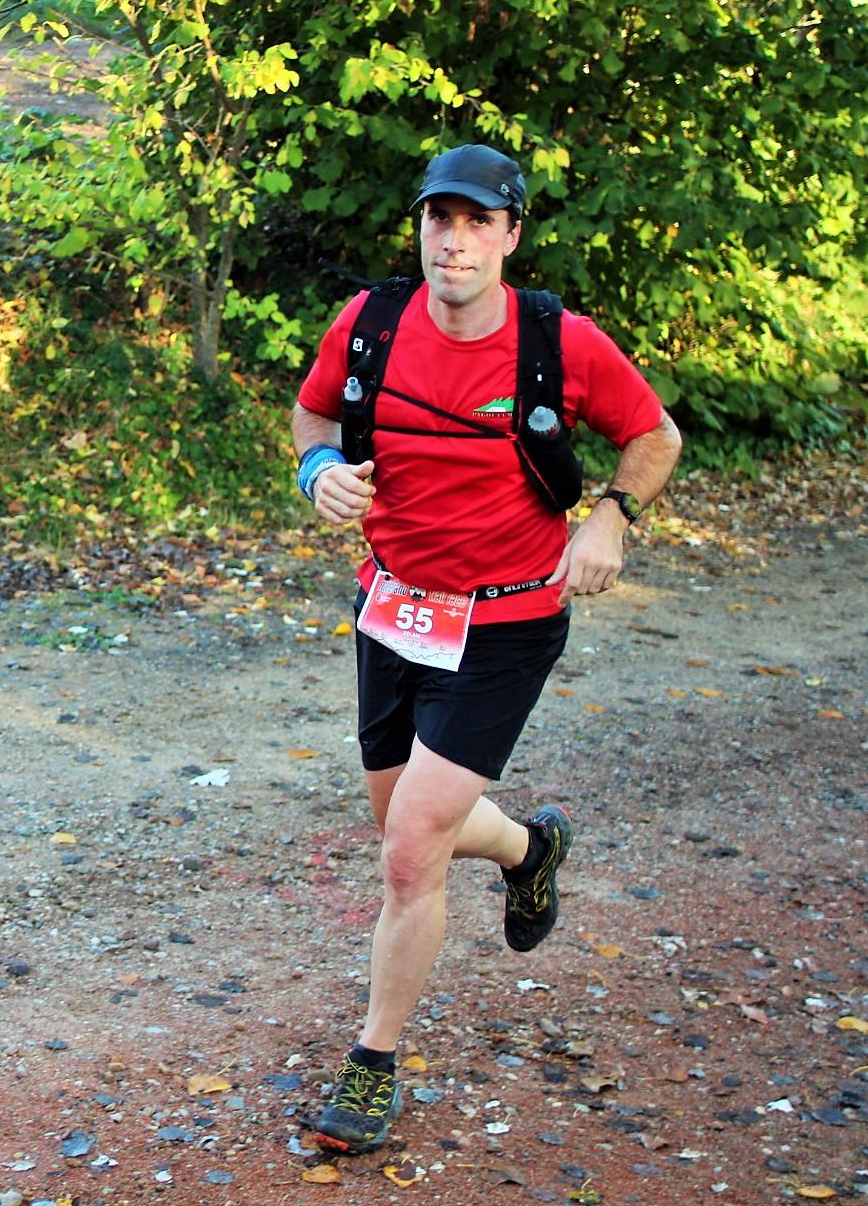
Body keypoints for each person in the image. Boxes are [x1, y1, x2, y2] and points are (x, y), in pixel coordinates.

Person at [289, 143, 683, 1154]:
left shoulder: (558, 342)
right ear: (420, 226)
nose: (453, 241)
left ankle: (373, 1062)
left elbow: (656, 434)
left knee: (410, 849)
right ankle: (529, 846)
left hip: (507, 619)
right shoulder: (371, 324)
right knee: (402, 824)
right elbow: (313, 411)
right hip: (394, 608)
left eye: (477, 222)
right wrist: (318, 470)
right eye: (439, 218)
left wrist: (610, 519)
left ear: (510, 235)